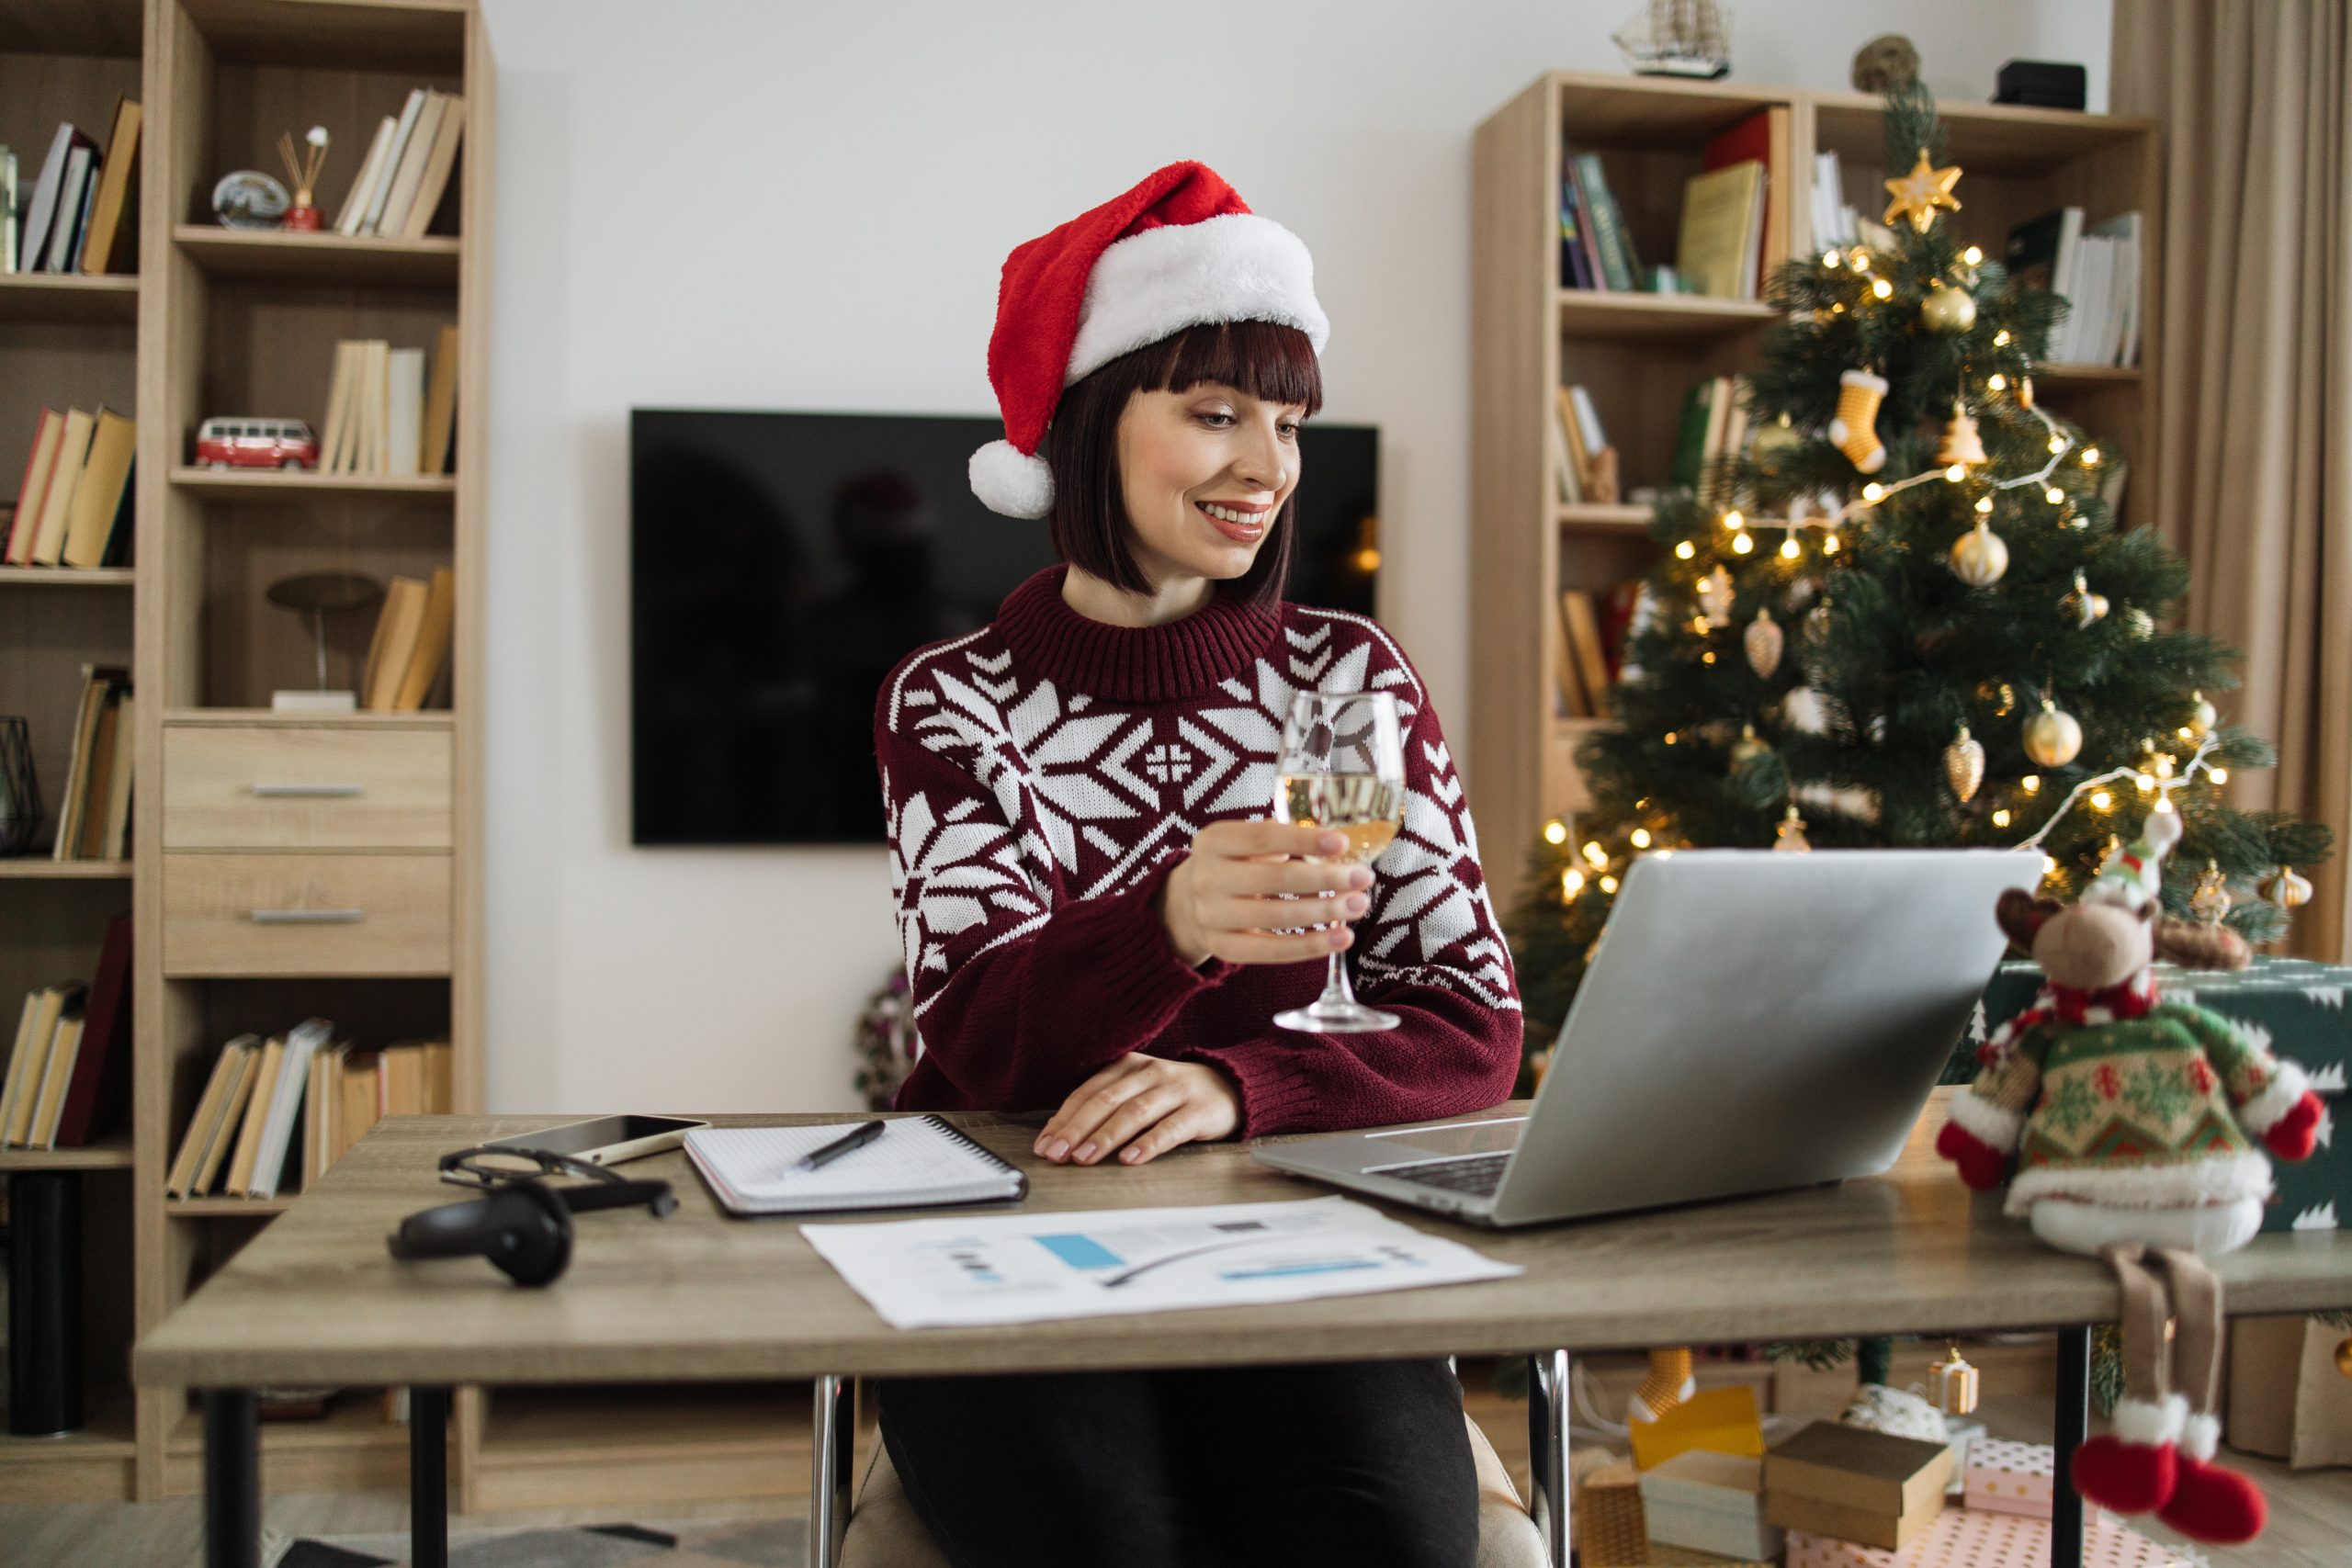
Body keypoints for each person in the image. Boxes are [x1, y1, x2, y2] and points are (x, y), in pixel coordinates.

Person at [870, 161, 1522, 1568]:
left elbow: (1474, 1023)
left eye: (1285, 423)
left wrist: (1243, 1084)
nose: (1267, 468)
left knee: (1388, 1548)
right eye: (1214, 414)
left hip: (1300, 1245)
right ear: (1094, 423)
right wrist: (1163, 923)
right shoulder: (952, 702)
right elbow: (982, 1044)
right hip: (1014, 1238)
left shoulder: (1355, 675)